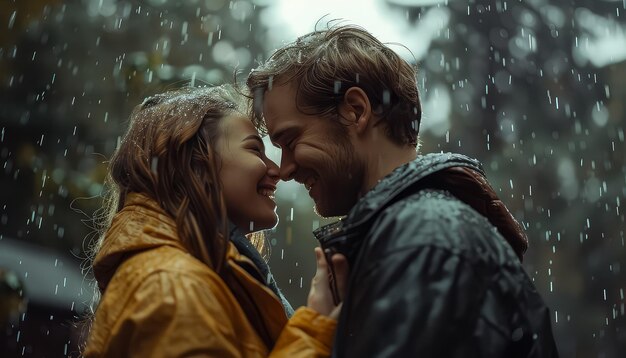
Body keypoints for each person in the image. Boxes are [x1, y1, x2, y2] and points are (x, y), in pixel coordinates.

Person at [246, 24, 559, 357]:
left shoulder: (422, 241)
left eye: (291, 141)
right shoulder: (415, 235)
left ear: (356, 110)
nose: (285, 168)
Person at [83, 85, 347, 357]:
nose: (277, 170)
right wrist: (313, 334)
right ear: (196, 164)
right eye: (255, 150)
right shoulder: (172, 285)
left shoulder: (196, 276)